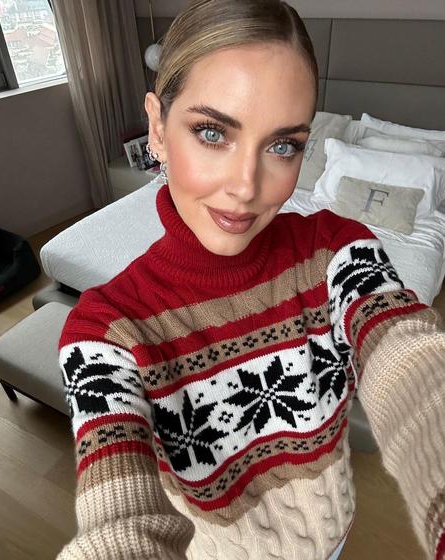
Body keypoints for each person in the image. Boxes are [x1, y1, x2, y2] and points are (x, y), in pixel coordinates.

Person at [56, 1, 445, 558]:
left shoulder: (336, 251)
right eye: (212, 132)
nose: (246, 187)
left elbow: (410, 363)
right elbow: (119, 514)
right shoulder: (106, 331)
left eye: (283, 146)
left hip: (334, 535)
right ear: (157, 129)